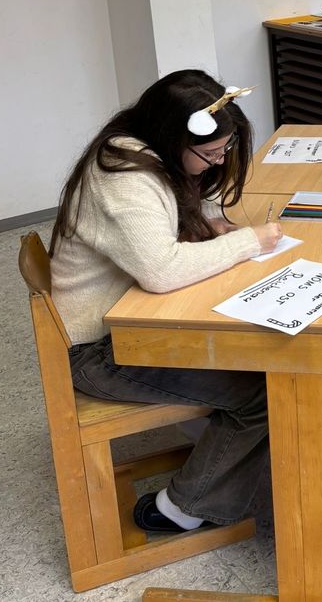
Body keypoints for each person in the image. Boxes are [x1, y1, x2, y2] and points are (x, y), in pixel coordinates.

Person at [50, 69, 283, 531]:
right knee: (264, 390)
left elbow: (163, 214)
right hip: (100, 351)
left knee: (261, 357)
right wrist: (247, 242)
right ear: (172, 137)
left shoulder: (142, 152)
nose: (219, 162)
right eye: (211, 153)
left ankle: (216, 445)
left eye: (225, 150)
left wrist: (210, 222)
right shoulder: (122, 176)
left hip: (131, 324)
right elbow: (161, 271)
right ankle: (186, 507)